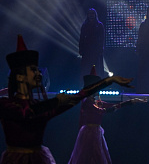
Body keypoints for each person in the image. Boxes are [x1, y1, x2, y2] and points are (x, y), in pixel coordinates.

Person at [0, 35, 133, 164]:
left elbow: (79, 96)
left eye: (38, 70)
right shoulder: (7, 105)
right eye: (33, 70)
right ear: (20, 77)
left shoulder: (38, 105)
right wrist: (56, 102)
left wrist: (108, 81)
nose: (39, 73)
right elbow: (26, 114)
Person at [68, 66, 145, 164]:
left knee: (97, 155)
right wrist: (111, 109)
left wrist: (131, 101)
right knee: (87, 155)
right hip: (89, 133)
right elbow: (101, 111)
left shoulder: (96, 101)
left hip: (96, 132)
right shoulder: (87, 101)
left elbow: (110, 105)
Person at [79, 8, 105, 81]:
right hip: (86, 50)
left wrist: (101, 49)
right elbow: (81, 38)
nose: (91, 15)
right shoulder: (85, 25)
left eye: (92, 14)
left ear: (95, 15)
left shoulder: (99, 25)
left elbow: (102, 38)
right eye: (90, 14)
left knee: (97, 68)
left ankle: (97, 83)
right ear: (88, 15)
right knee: (86, 68)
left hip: (96, 50)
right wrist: (81, 49)